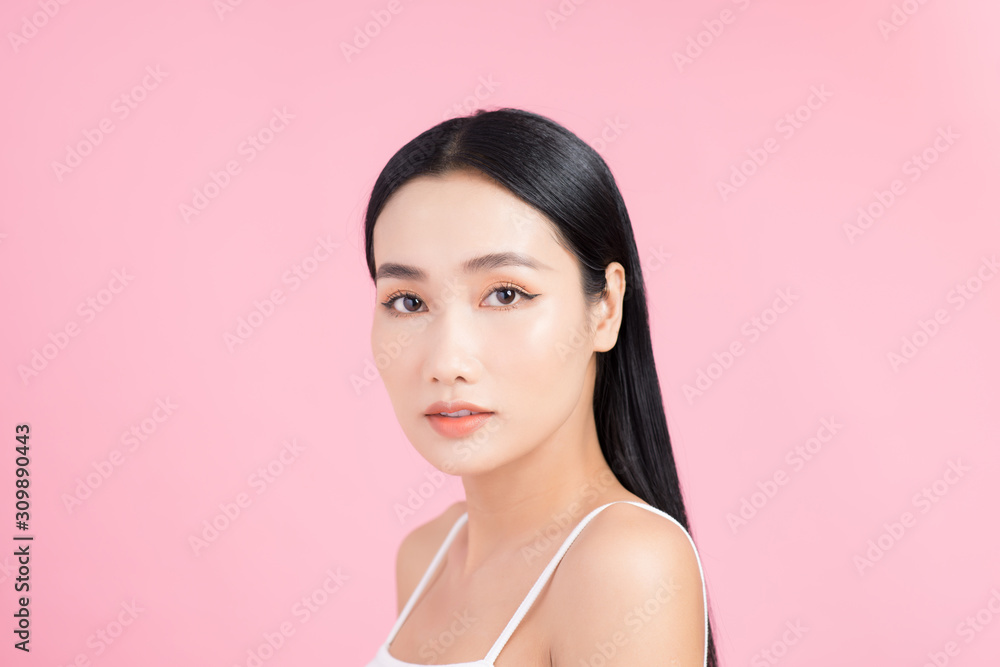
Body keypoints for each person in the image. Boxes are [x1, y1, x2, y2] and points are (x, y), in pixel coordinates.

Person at [362, 108, 718, 666]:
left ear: (605, 309)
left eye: (505, 294)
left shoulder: (624, 566)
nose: (447, 361)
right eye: (408, 302)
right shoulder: (427, 555)